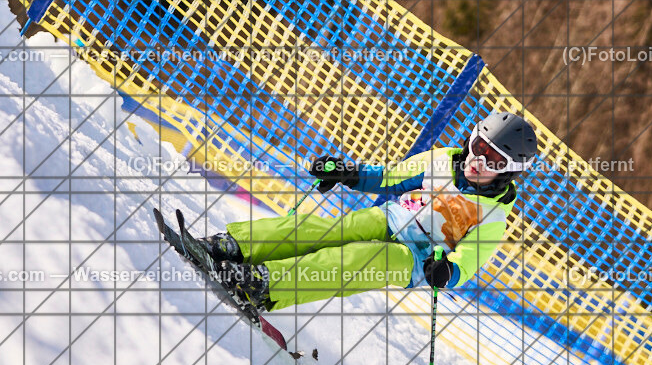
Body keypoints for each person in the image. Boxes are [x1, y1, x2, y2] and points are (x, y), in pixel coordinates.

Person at [203, 112, 538, 311]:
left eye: (493, 161)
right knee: (323, 231)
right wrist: (348, 172)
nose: (479, 162)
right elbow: (391, 177)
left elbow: (469, 260)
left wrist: (447, 272)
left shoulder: (493, 216)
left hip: (415, 257)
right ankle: (235, 245)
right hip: (389, 217)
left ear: (508, 171)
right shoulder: (441, 160)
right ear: (471, 141)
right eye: (479, 148)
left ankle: (264, 284)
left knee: (357, 261)